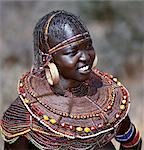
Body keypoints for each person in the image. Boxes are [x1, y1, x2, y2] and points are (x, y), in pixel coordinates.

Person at [0, 10, 142, 150]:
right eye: (72, 52)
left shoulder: (110, 100)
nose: (85, 57)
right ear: (49, 58)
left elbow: (131, 141)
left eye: (88, 46)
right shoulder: (26, 114)